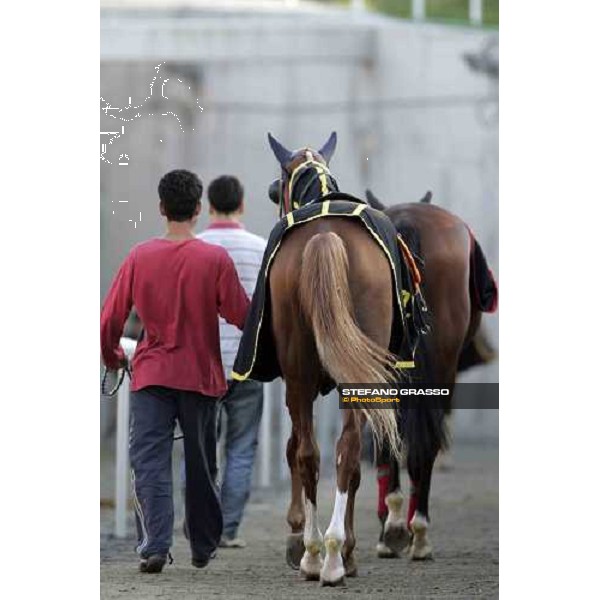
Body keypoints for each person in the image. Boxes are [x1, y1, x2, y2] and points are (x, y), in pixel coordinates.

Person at [100, 169, 250, 573]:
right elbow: (242, 314)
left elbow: (109, 318)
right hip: (201, 378)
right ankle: (202, 546)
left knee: (148, 462)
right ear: (198, 209)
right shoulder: (215, 259)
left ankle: (154, 545)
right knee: (201, 465)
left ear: (162, 208)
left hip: (150, 376)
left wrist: (113, 355)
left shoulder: (139, 256)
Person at [194, 175, 267, 548]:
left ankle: (200, 526)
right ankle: (228, 529)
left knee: (202, 448)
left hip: (201, 365)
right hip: (247, 361)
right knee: (241, 447)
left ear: (208, 207)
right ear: (242, 206)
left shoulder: (194, 247)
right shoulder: (261, 248)